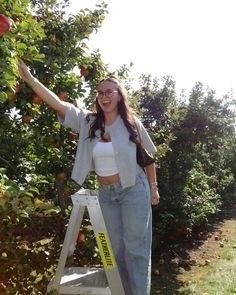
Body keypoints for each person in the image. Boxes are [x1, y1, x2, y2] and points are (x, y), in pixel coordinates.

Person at [17, 57, 160, 295]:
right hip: (107, 195)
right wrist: (31, 79)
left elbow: (147, 158)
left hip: (134, 189)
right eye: (100, 92)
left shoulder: (131, 123)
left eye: (109, 92)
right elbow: (59, 105)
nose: (104, 96)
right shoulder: (89, 122)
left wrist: (153, 187)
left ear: (119, 95)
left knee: (136, 250)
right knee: (114, 251)